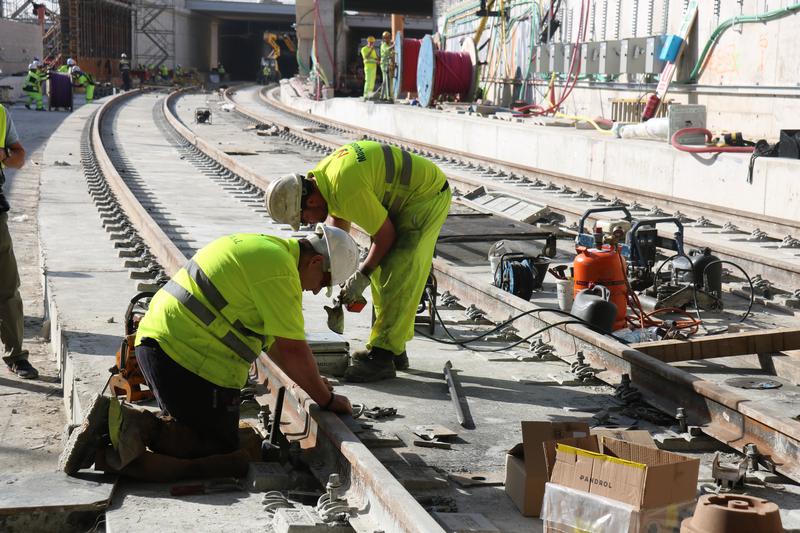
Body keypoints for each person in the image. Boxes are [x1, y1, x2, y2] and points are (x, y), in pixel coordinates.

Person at [59, 224, 357, 480]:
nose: (317, 291)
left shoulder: (268, 249)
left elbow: (279, 346)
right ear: (316, 262)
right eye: (323, 283)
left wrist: (312, 383)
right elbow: (292, 350)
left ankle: (117, 430)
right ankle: (125, 428)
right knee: (219, 455)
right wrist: (326, 399)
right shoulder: (281, 274)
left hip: (165, 347)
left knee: (223, 442)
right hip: (182, 359)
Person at [264, 141, 452, 382]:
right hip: (406, 195)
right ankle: (394, 350)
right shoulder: (324, 179)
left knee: (396, 271)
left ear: (309, 202)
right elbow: (338, 235)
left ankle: (382, 358)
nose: (309, 223)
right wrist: (336, 274)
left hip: (425, 197)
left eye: (304, 219)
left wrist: (361, 275)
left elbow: (385, 237)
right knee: (383, 272)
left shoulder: (345, 188)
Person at [0, 104, 36, 379]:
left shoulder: (0, 114)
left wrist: (3, 156)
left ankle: (16, 356)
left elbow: (19, 158)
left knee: (8, 287)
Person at [379, 31, 395, 101]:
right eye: (386, 38)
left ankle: (384, 96)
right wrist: (394, 45)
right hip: (384, 64)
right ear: (384, 38)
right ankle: (388, 97)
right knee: (387, 80)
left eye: (389, 37)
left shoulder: (389, 45)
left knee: (386, 81)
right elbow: (387, 50)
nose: (388, 39)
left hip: (388, 64)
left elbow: (392, 53)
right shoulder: (383, 45)